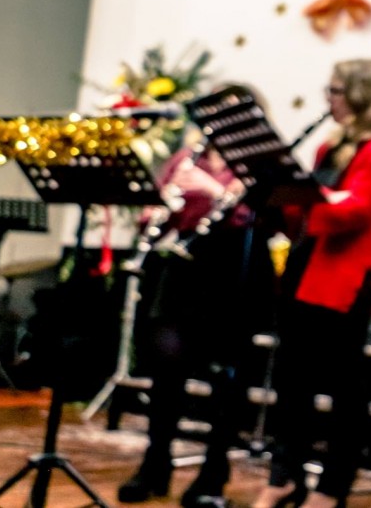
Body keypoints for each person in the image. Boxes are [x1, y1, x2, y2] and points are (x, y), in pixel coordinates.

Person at [251, 59, 371, 508]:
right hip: (304, 273)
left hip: (346, 281)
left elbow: (354, 212)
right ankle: (285, 477)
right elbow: (310, 217)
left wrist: (310, 200)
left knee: (344, 391)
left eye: (336, 90)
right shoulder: (329, 149)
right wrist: (276, 196)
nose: (328, 98)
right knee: (292, 385)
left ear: (362, 95)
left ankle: (333, 488)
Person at [118, 85, 277, 507]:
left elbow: (263, 216)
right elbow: (158, 210)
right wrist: (156, 212)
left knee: (226, 377)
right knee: (166, 367)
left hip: (236, 269)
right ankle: (155, 462)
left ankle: (214, 469)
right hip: (184, 267)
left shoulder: (262, 162)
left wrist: (214, 191)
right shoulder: (186, 158)